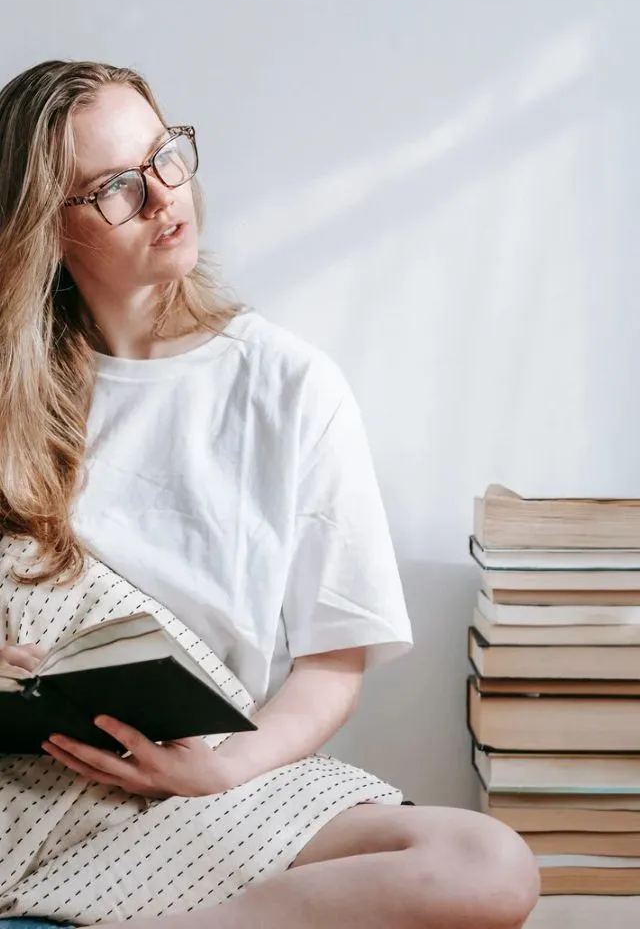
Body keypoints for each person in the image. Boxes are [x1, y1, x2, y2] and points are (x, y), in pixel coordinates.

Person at [0, 60, 539, 929]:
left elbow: (334, 662)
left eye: (167, 156)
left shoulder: (289, 385)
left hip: (215, 781)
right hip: (27, 785)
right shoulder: (11, 394)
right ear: (46, 229)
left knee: (486, 864)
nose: (165, 196)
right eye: (115, 189)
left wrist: (218, 771)